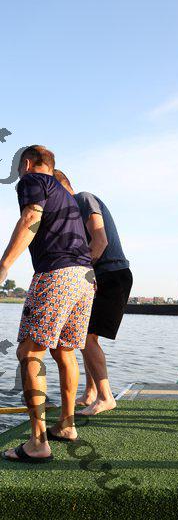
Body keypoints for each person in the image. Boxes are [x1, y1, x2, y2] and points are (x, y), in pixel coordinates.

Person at [0, 145, 95, 463]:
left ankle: (38, 443)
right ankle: (66, 425)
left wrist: (4, 265)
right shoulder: (66, 194)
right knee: (65, 350)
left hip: (57, 273)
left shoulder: (32, 180)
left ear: (27, 164)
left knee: (29, 353)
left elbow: (31, 217)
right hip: (85, 277)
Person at [53, 170, 133, 416]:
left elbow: (100, 241)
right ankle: (90, 392)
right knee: (84, 335)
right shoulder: (71, 212)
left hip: (111, 274)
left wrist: (82, 276)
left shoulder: (83, 199)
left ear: (61, 187)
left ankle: (106, 397)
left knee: (87, 337)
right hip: (99, 275)